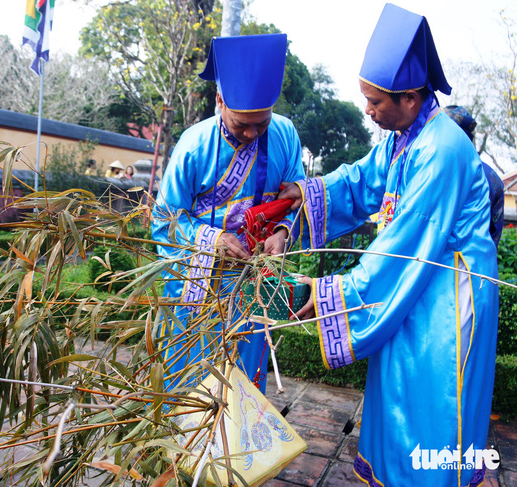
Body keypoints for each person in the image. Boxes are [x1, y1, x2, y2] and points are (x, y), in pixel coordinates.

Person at [277, 4, 498, 486]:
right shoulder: (406, 138)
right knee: (397, 392)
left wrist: (329, 293)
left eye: (375, 102)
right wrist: (308, 191)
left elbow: (403, 244)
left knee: (432, 403)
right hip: (416, 282)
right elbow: (361, 183)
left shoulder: (441, 150)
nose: (368, 110)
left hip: (446, 297)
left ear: (412, 99)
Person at [152, 33, 305, 393]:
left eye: (262, 123)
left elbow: (295, 199)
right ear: (219, 100)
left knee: (244, 383)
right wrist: (213, 238)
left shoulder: (285, 135)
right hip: (198, 287)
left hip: (252, 286)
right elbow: (164, 220)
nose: (253, 133)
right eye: (242, 124)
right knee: (193, 381)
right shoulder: (193, 146)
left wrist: (282, 233)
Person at [444, 105, 504, 247]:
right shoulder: (492, 177)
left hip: (440, 264)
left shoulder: (437, 169)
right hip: (479, 263)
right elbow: (494, 234)